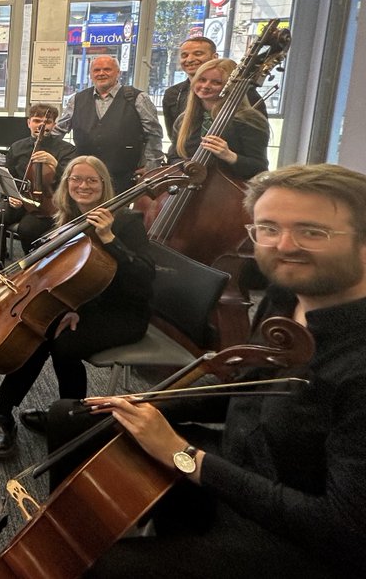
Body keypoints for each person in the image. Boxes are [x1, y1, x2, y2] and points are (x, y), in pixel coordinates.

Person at [74, 163, 366, 577]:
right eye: (267, 228)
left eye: (312, 231)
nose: (284, 245)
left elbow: (342, 532)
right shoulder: (285, 295)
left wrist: (183, 456)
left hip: (292, 536)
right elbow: (248, 389)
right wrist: (151, 402)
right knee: (80, 421)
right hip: (242, 457)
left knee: (101, 569)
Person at [0, 155, 154, 459]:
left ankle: (65, 419)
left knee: (58, 341)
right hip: (80, 303)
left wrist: (110, 238)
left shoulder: (127, 221)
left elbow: (142, 280)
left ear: (104, 185)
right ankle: (30, 414)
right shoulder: (69, 216)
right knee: (43, 329)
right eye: (76, 179)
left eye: (92, 180)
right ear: (66, 184)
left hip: (123, 312)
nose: (83, 185)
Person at [56, 55, 164, 193]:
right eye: (97, 70)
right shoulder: (76, 100)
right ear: (90, 74)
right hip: (86, 179)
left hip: (125, 177)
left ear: (118, 72)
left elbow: (154, 134)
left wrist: (151, 167)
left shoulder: (138, 98)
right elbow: (59, 131)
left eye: (107, 69)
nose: (101, 73)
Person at [0, 103, 77, 263]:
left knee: (26, 229)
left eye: (47, 122)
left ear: (54, 125)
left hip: (48, 204)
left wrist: (55, 164)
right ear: (29, 123)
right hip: (21, 199)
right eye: (36, 120)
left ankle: (32, 267)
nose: (41, 125)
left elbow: (72, 181)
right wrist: (10, 195)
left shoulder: (66, 149)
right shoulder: (17, 147)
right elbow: (9, 177)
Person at [169, 58, 270, 180]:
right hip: (189, 190)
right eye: (202, 80)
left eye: (216, 82)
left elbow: (260, 168)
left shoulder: (248, 119)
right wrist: (186, 166)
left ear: (230, 86)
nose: (206, 86)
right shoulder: (183, 120)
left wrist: (230, 156)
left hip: (230, 192)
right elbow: (173, 156)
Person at [161, 36, 265, 144]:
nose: (190, 59)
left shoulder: (244, 93)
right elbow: (175, 138)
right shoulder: (172, 94)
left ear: (214, 57)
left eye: (198, 54)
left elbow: (256, 142)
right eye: (184, 55)